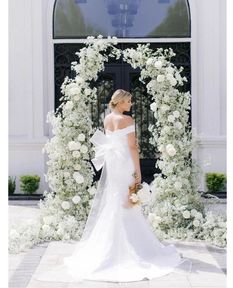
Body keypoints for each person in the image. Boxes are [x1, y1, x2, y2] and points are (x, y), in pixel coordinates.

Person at [34, 89, 191, 284]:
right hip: (125, 162)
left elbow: (111, 140)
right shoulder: (127, 120)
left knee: (116, 198)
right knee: (128, 198)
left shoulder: (107, 118)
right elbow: (133, 147)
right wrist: (138, 171)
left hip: (113, 164)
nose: (131, 104)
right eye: (128, 101)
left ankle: (110, 243)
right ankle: (130, 245)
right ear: (119, 102)